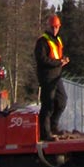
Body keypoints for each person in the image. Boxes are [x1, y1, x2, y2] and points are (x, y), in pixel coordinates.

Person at [34, 12, 70, 142]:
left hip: (57, 76)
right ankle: (45, 133)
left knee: (62, 101)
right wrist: (58, 62)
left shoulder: (58, 40)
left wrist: (63, 60)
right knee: (48, 105)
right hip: (47, 77)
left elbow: (56, 56)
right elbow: (42, 59)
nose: (55, 29)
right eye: (53, 27)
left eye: (57, 27)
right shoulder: (42, 41)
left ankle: (53, 126)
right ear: (49, 26)